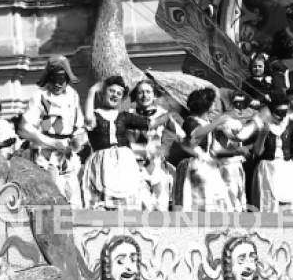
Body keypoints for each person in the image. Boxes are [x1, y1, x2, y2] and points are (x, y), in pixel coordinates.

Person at [81, 76, 168, 209]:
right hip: (102, 161)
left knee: (126, 195)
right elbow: (88, 120)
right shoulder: (96, 114)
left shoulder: (124, 116)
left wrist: (171, 114)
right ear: (103, 93)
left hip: (123, 159)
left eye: (119, 93)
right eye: (111, 91)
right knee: (103, 195)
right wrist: (91, 92)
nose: (115, 95)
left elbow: (151, 123)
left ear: (121, 99)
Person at [17, 56, 86, 207]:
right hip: (44, 155)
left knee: (72, 197)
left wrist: (78, 140)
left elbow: (79, 126)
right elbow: (24, 128)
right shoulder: (39, 97)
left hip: (66, 155)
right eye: (54, 78)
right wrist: (50, 142)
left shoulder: (73, 96)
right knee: (50, 196)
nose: (58, 83)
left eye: (62, 78)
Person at [174, 89, 249, 211]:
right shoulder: (190, 121)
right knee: (197, 200)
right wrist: (217, 122)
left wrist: (236, 151)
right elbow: (197, 134)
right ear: (205, 104)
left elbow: (215, 148)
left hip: (209, 165)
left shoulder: (207, 122)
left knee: (216, 199)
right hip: (193, 165)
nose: (215, 105)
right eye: (213, 102)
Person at [124, 79, 183, 211]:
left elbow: (180, 135)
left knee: (161, 207)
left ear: (154, 95)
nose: (144, 96)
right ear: (136, 96)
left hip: (158, 167)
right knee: (141, 207)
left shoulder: (164, 115)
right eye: (140, 92)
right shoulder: (128, 116)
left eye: (148, 92)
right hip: (135, 168)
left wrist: (164, 148)